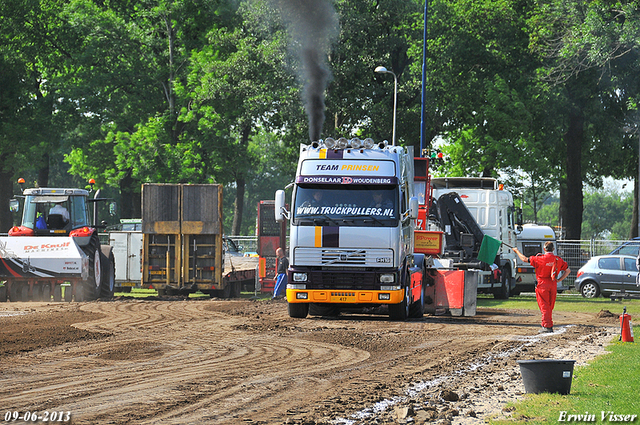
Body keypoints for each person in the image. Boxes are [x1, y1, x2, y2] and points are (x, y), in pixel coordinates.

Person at [513, 241, 570, 333]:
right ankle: (547, 324)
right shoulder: (558, 259)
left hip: (542, 284)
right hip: (553, 283)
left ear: (544, 249)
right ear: (553, 249)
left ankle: (547, 326)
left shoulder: (539, 259)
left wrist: (517, 251)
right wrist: (559, 279)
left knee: (544, 305)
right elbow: (568, 270)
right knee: (550, 306)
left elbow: (524, 259)